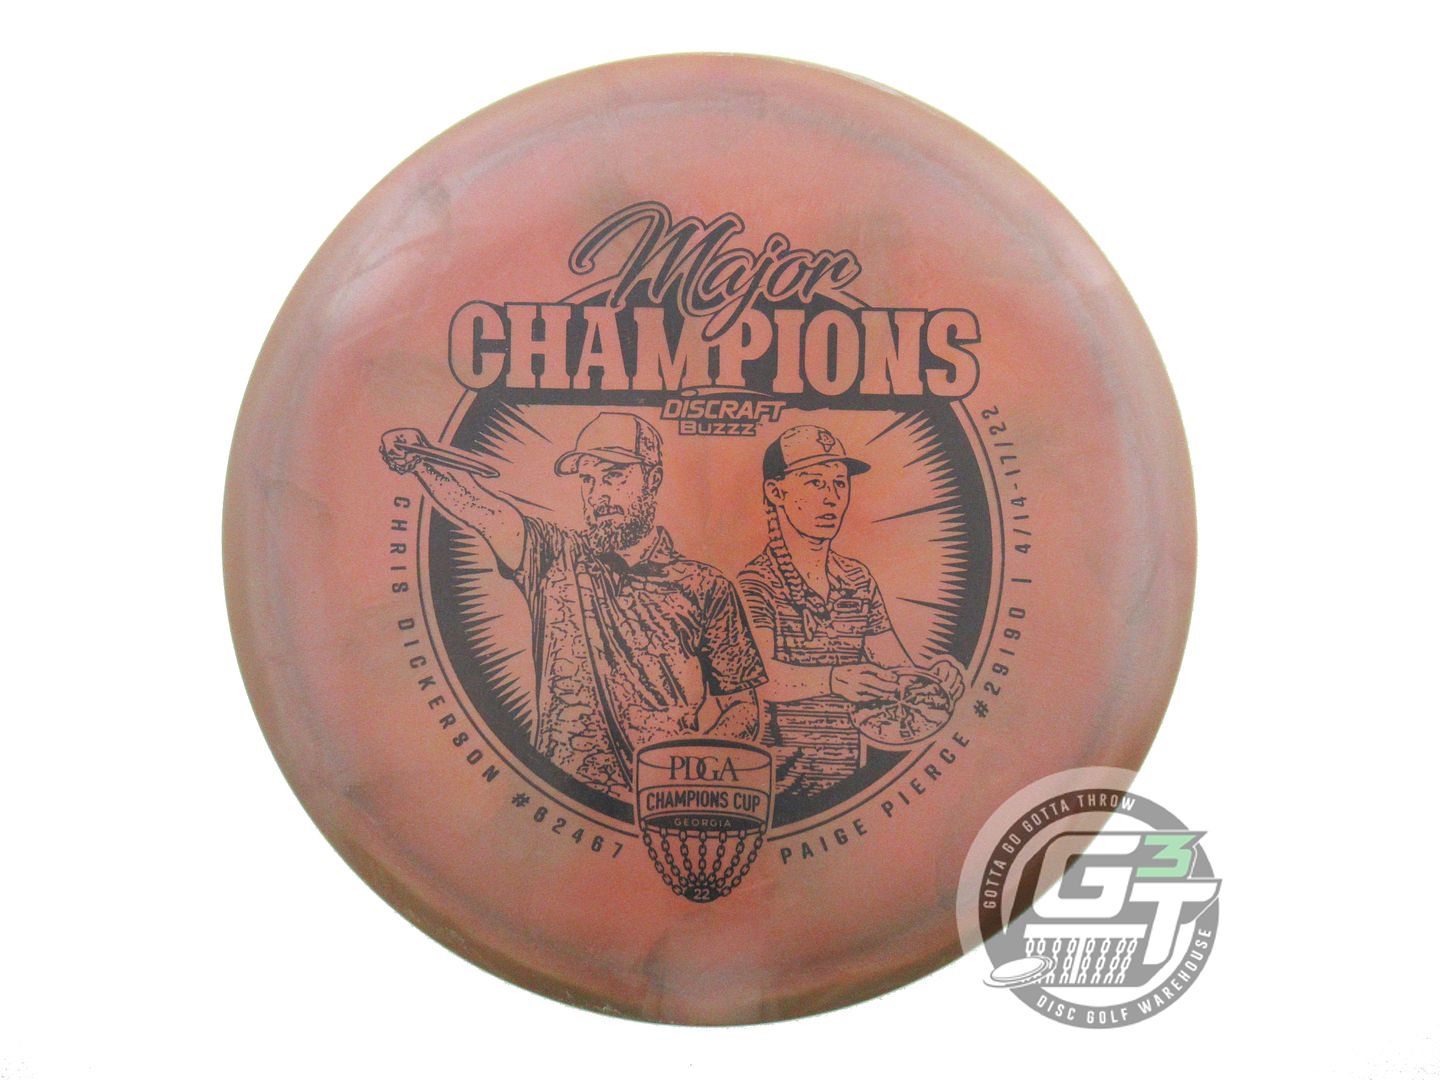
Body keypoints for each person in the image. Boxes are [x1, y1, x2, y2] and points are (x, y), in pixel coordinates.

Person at [381, 412, 766, 799]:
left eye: (614, 475)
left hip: (661, 802)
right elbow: (482, 510)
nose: (599, 495)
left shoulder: (706, 587)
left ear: (652, 479)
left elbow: (743, 709)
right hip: (557, 798)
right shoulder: (551, 555)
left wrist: (687, 774)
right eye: (588, 480)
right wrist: (421, 461)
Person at [737, 425, 964, 796]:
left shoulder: (857, 579)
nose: (831, 499)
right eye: (815, 483)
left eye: (839, 484)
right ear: (776, 492)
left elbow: (894, 667)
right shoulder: (755, 582)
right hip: (777, 790)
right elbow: (761, 679)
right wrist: (833, 680)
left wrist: (931, 681)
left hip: (848, 785)